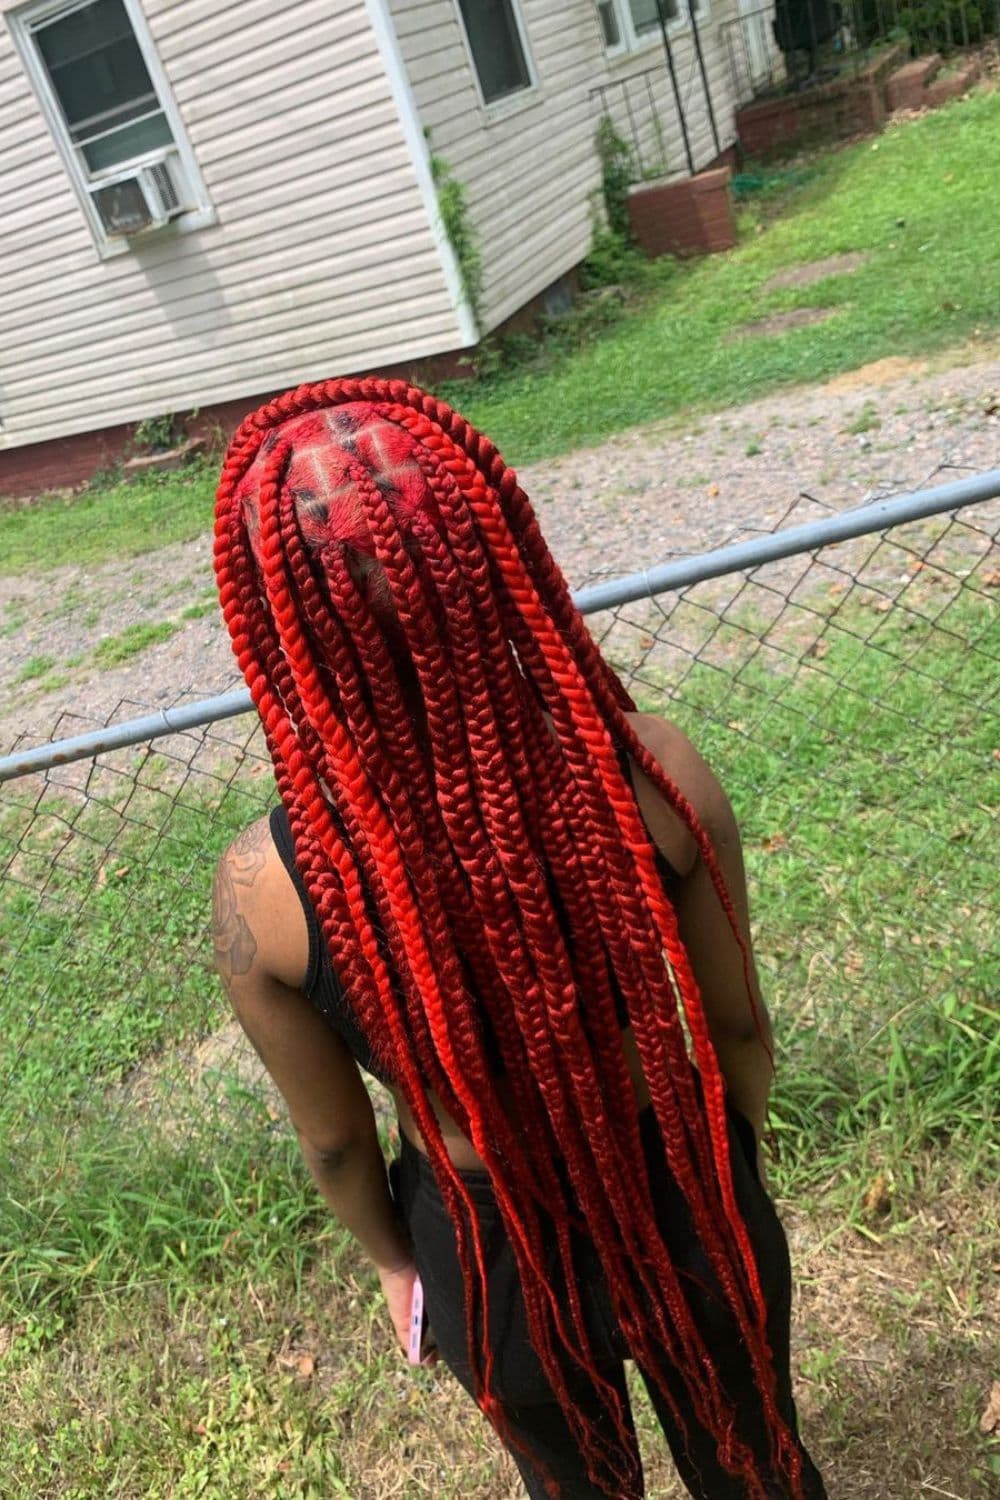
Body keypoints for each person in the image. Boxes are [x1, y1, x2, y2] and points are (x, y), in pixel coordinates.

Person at [211, 378, 828, 1500]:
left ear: (283, 616)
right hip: (686, 1190)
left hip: (491, 1254)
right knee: (758, 1468)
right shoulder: (648, 767)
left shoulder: (266, 887)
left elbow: (343, 1150)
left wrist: (400, 1265)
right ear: (484, 555)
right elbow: (736, 1022)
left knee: (576, 1487)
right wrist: (724, 1165)